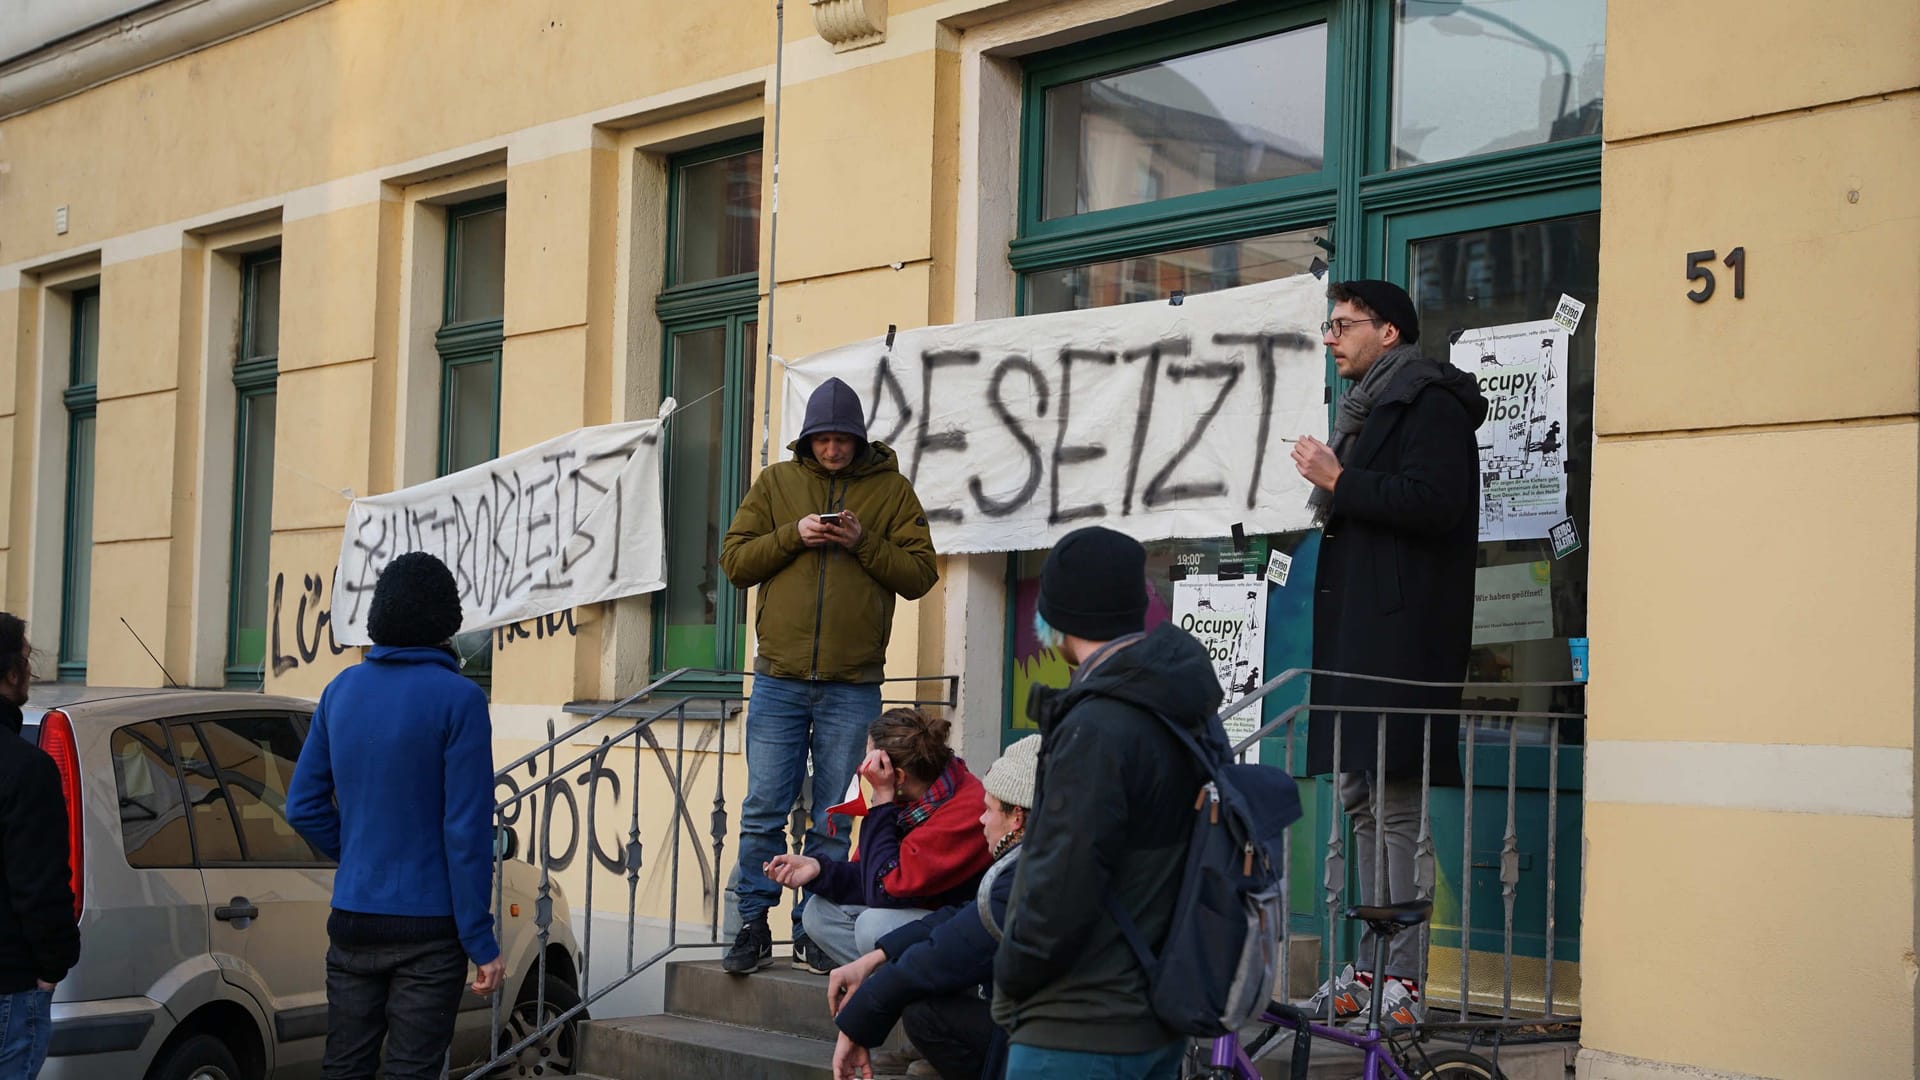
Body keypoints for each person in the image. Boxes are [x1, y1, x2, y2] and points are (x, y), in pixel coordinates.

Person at [1290, 279, 1487, 1025]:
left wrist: (1342, 479)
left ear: (1390, 333)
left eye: (1344, 325)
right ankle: (1370, 975)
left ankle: (1402, 980)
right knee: (1360, 802)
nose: (1331, 337)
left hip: (1402, 645)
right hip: (1362, 641)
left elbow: (1436, 504)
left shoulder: (1429, 403)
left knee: (1395, 808)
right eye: (1329, 325)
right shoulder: (1369, 406)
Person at [720, 377, 940, 975]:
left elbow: (922, 575)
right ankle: (751, 923)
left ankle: (813, 926)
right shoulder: (776, 484)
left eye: (844, 439)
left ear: (860, 440)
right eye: (824, 439)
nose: (834, 449)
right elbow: (735, 562)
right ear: (808, 439)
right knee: (764, 805)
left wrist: (864, 542)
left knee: (834, 815)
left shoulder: (892, 491)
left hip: (853, 683)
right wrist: (792, 536)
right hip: (779, 678)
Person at [991, 526, 1226, 1080]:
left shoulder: (1099, 724)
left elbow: (1062, 880)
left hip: (1076, 1026)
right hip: (1150, 1014)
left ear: (1059, 615)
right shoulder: (1179, 708)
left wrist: (1011, 973)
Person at [286, 553, 504, 1080]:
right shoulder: (461, 700)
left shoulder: (340, 692)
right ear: (446, 623)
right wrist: (482, 942)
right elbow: (467, 832)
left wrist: (358, 852)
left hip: (353, 921)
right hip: (429, 933)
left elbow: (302, 806)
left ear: (380, 617)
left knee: (344, 1067)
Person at [827, 734, 1040, 1080]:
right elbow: (963, 916)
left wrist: (859, 1019)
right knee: (821, 914)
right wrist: (875, 958)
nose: (981, 820)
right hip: (1048, 1030)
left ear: (1017, 817)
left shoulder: (1031, 876)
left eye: (989, 810)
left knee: (881, 938)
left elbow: (888, 891)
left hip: (1053, 1044)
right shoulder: (1039, 861)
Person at [766, 707, 991, 971]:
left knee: (872, 926)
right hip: (917, 908)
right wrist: (819, 870)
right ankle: (888, 992)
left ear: (898, 777)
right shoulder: (914, 798)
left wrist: (882, 804)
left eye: (870, 762)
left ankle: (903, 999)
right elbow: (872, 875)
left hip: (964, 932)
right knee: (817, 913)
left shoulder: (964, 810)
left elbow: (885, 890)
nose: (863, 770)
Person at [0, 615, 79, 1080]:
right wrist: (53, 964)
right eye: (28, 660)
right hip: (10, 984)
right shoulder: (27, 769)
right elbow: (42, 884)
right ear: (11, 673)